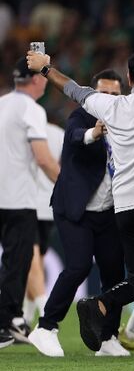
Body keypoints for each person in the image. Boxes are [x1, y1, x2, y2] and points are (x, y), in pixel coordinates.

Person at [26, 48, 134, 365]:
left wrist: (46, 69)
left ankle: (101, 303)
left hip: (125, 208)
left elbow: (73, 88)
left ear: (128, 78)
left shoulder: (111, 105)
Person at [29, 70, 128, 357]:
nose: (107, 99)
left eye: (113, 94)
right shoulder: (81, 117)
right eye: (102, 93)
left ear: (121, 96)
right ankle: (45, 327)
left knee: (113, 272)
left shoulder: (126, 121)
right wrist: (93, 133)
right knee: (79, 266)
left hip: (108, 210)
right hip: (76, 209)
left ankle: (108, 337)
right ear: (92, 95)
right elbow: (73, 138)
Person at [0, 58, 60, 349]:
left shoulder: (1, 104)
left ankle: (10, 318)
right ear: (37, 80)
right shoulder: (31, 109)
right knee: (17, 260)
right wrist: (64, 186)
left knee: (14, 260)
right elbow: (43, 158)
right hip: (17, 199)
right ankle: (5, 321)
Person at [22, 121, 64, 331]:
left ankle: (43, 309)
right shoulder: (59, 134)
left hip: (26, 202)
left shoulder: (24, 130)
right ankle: (27, 316)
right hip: (50, 204)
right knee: (36, 258)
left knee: (31, 258)